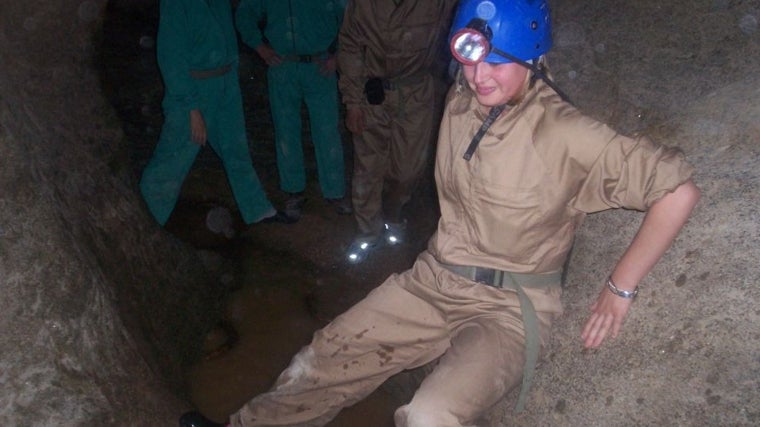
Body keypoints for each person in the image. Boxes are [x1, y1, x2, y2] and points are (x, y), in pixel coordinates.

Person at [180, 0, 701, 425]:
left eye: (496, 62)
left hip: (508, 308)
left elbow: (677, 191)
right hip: (433, 281)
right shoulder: (459, 99)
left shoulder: (567, 134)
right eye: (470, 60)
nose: (479, 77)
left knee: (430, 414)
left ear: (533, 59)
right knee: (326, 354)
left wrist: (620, 286)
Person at [140, 0, 294, 230]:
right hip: (193, 90)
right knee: (172, 160)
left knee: (237, 151)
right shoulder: (176, 4)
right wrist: (191, 108)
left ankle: (258, 209)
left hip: (225, 86)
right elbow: (170, 57)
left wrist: (231, 79)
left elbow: (227, 40)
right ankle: (145, 221)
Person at [338, 0, 460, 263]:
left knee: (408, 169)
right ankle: (367, 231)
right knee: (368, 166)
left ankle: (393, 214)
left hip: (416, 91)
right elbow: (350, 47)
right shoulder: (364, 4)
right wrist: (352, 102)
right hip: (373, 93)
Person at [235, 0, 351, 222]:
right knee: (286, 133)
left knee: (328, 132)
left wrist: (338, 56)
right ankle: (293, 192)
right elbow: (245, 14)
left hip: (321, 66)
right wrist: (260, 47)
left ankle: (335, 192)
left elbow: (352, 19)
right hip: (283, 67)